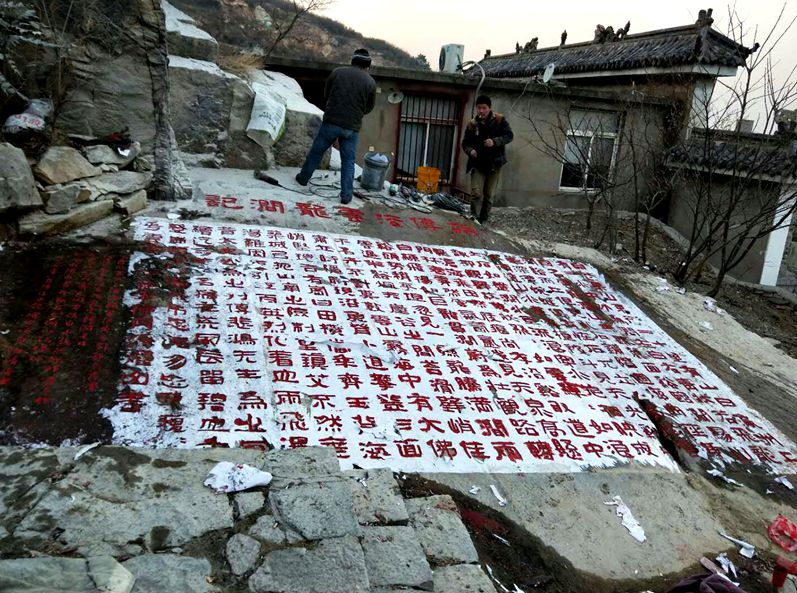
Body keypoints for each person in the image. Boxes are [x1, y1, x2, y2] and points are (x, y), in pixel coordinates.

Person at [295, 48, 377, 204]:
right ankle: (346, 195)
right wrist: (357, 113)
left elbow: (327, 94)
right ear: (368, 65)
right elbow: (369, 107)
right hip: (352, 127)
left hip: (331, 122)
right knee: (348, 161)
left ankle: (303, 178)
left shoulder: (337, 72)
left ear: (352, 61)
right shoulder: (370, 82)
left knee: (316, 152)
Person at [461, 95, 514, 223]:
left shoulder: (499, 120)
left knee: (489, 195)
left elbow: (509, 135)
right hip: (477, 163)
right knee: (476, 193)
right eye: (479, 108)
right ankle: (474, 217)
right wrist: (470, 151)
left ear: (489, 108)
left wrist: (495, 142)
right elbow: (465, 143)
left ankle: (483, 219)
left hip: (494, 163)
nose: (481, 111)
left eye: (484, 108)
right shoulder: (472, 124)